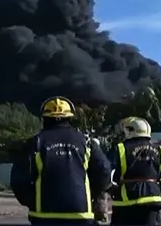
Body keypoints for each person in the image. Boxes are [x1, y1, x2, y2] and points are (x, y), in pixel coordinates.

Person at [10, 96, 112, 225]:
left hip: (43, 216)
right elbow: (104, 170)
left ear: (44, 119)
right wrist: (91, 193)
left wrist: (33, 201)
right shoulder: (86, 142)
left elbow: (18, 180)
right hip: (81, 215)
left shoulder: (35, 143)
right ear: (69, 117)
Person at [108, 117, 161, 226]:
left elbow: (106, 170)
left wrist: (111, 188)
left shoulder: (121, 148)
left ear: (129, 131)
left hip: (126, 202)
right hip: (152, 201)